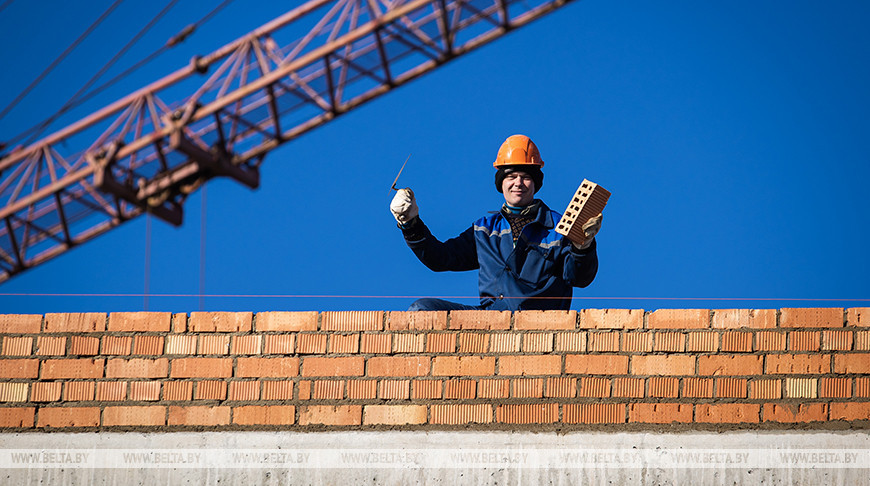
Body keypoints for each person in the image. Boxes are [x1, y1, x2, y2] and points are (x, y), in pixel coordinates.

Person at [390, 134, 602, 311]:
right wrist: (410, 223)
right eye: (511, 176)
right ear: (501, 183)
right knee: (423, 311)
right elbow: (440, 258)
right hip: (491, 320)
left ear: (535, 183)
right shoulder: (485, 230)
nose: (518, 183)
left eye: (526, 177)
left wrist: (583, 247)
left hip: (542, 324)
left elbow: (580, 278)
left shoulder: (558, 228)